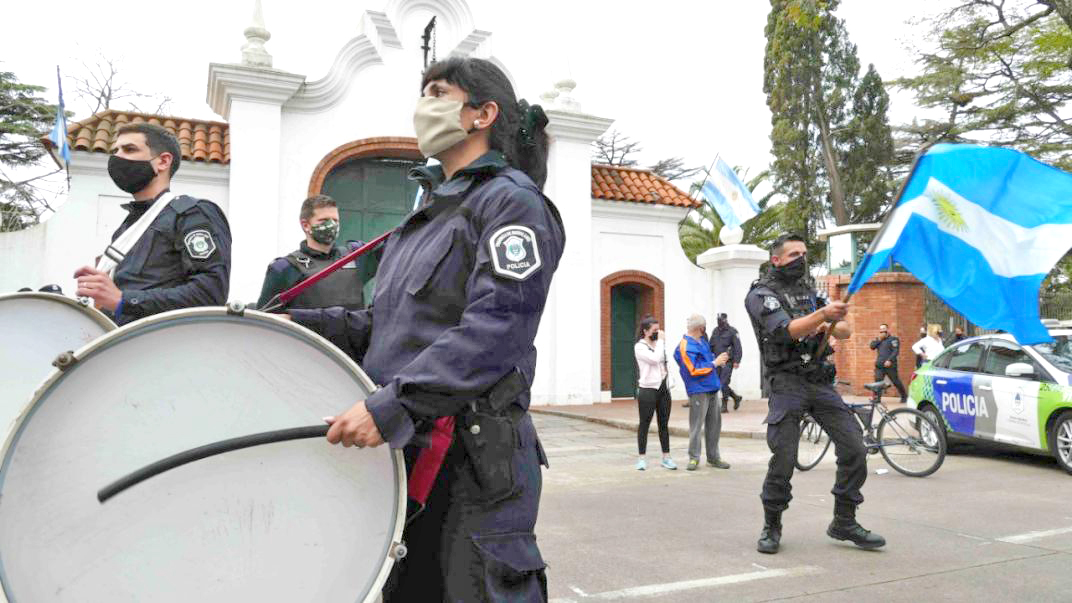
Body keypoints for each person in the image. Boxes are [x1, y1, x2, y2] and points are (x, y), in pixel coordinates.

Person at [286, 57, 562, 601]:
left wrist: (394, 405)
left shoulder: (512, 202)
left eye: (438, 92)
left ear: (483, 114)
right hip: (407, 452)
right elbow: (382, 327)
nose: (424, 105)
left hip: (472, 461)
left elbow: (497, 327)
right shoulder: (427, 216)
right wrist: (289, 324)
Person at [745, 233, 884, 555]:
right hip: (787, 383)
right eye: (794, 254)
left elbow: (846, 330)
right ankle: (772, 524)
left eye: (804, 253)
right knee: (784, 458)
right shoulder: (761, 294)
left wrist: (828, 319)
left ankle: (844, 521)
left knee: (855, 448)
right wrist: (822, 318)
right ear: (776, 259)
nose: (801, 259)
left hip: (820, 382)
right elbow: (785, 330)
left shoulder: (809, 293)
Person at [74, 123, 231, 326]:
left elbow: (210, 292)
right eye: (116, 150)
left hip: (165, 347)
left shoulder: (192, 213)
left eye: (129, 149)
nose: (117, 157)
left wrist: (124, 300)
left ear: (163, 161)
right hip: (124, 344)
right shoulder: (126, 230)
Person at [256, 194, 370, 311]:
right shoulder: (284, 268)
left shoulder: (356, 255)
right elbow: (266, 319)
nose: (331, 225)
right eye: (323, 220)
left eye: (335, 220)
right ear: (305, 225)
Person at [674, 314, 731, 471]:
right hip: (699, 390)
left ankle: (713, 457)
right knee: (696, 425)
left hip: (712, 387)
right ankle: (694, 458)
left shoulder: (702, 342)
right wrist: (715, 363)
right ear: (701, 328)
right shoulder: (685, 345)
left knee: (714, 425)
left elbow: (705, 362)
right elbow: (692, 369)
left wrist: (716, 360)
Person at [634, 315, 676, 471]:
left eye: (658, 330)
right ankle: (642, 458)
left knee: (663, 424)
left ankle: (666, 457)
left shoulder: (659, 344)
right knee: (644, 424)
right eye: (654, 330)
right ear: (645, 331)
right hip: (647, 390)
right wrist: (661, 342)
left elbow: (664, 361)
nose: (657, 333)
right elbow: (654, 359)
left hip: (663, 388)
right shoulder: (640, 347)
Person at [710, 312, 743, 412]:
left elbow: (738, 347)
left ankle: (724, 405)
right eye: (718, 320)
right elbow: (711, 345)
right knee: (719, 383)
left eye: (721, 320)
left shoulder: (732, 331)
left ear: (725, 320)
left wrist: (737, 361)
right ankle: (735, 397)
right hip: (717, 361)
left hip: (727, 361)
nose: (719, 322)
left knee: (723, 383)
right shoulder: (715, 331)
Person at [869, 323, 907, 403]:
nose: (882, 333)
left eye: (884, 331)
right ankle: (877, 398)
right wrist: (879, 339)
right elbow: (872, 346)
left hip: (890, 365)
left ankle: (904, 396)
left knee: (895, 381)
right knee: (878, 381)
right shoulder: (878, 340)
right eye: (881, 331)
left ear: (888, 331)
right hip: (880, 365)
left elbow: (895, 351)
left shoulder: (893, 339)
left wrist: (890, 360)